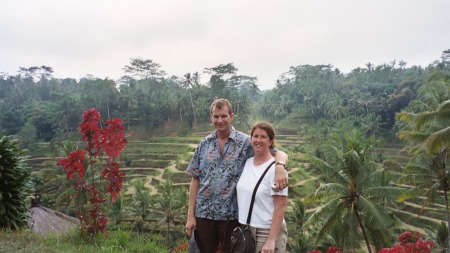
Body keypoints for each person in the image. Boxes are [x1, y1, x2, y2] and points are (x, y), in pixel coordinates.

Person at [185, 98, 288, 253]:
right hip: (204, 214)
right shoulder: (204, 144)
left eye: (224, 116)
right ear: (211, 117)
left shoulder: (246, 142)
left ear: (231, 116)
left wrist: (280, 167)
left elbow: (278, 152)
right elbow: (195, 178)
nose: (220, 120)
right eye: (216, 116)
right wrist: (190, 216)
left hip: (232, 216)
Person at [236, 121, 288, 253]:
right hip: (246, 229)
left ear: (270, 141)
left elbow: (280, 206)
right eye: (255, 136)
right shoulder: (247, 163)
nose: (258, 140)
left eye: (263, 137)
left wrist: (271, 240)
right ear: (251, 139)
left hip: (266, 231)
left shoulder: (276, 170)